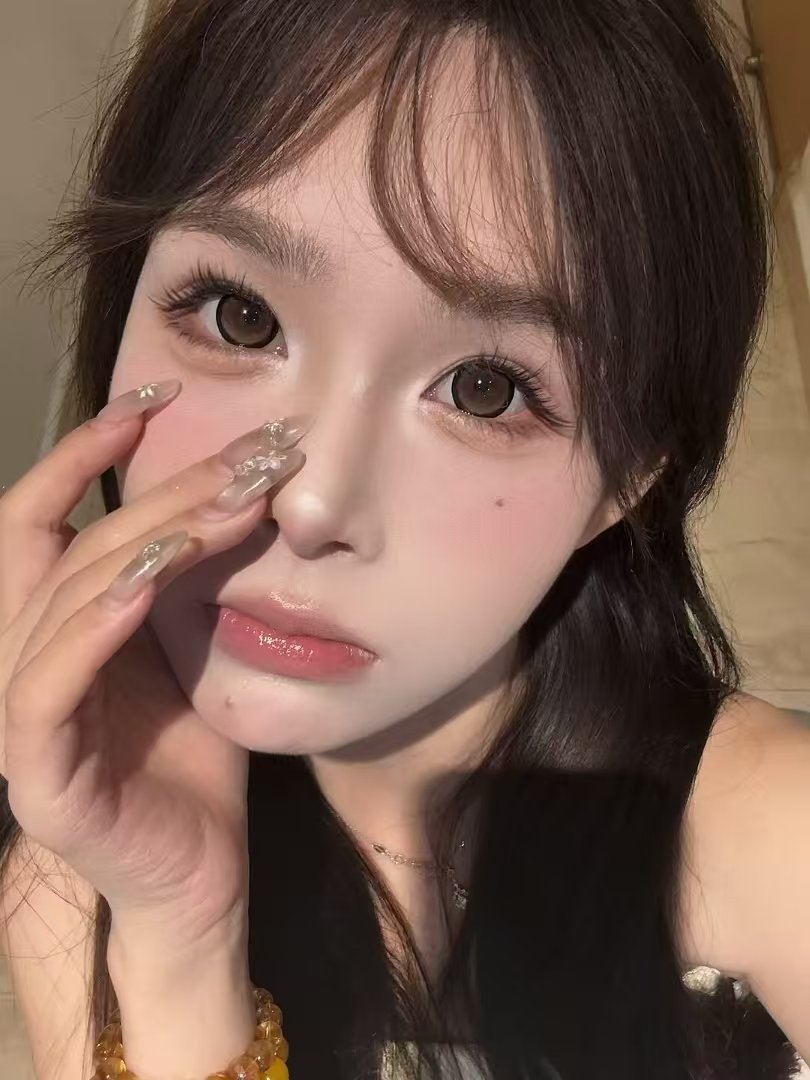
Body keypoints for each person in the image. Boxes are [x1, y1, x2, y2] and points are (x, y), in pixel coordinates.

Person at [1, 0, 809, 1078]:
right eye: (241, 317)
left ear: (632, 476)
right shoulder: (78, 853)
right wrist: (178, 936)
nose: (310, 505)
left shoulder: (775, 837)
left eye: (484, 389)